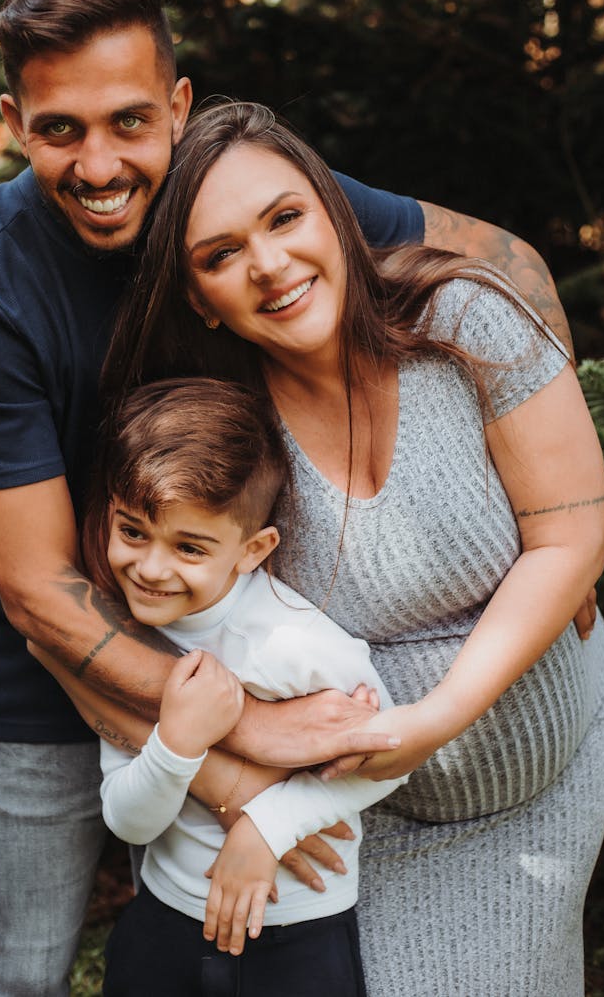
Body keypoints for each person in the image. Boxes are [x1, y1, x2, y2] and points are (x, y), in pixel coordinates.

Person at [0, 0, 592, 995]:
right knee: (24, 968)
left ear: (179, 107)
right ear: (15, 122)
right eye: (60, 129)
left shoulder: (253, 195)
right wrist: (242, 742)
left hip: (239, 653)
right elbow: (39, 598)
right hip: (57, 654)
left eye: (131, 123)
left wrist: (558, 503)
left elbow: (503, 262)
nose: (99, 164)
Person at [83, 99, 604, 996]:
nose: (271, 264)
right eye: (221, 255)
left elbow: (570, 536)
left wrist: (432, 721)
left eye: (284, 218)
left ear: (330, 210)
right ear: (200, 300)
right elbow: (135, 606)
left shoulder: (464, 320)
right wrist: (251, 793)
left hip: (542, 796)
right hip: (344, 825)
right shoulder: (226, 443)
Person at [81, 377, 406, 995]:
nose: (151, 568)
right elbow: (129, 822)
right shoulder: (126, 644)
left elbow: (391, 759)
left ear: (253, 550)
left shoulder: (295, 643)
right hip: (169, 916)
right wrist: (175, 744)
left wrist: (265, 829)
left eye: (190, 548)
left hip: (298, 932)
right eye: (132, 532)